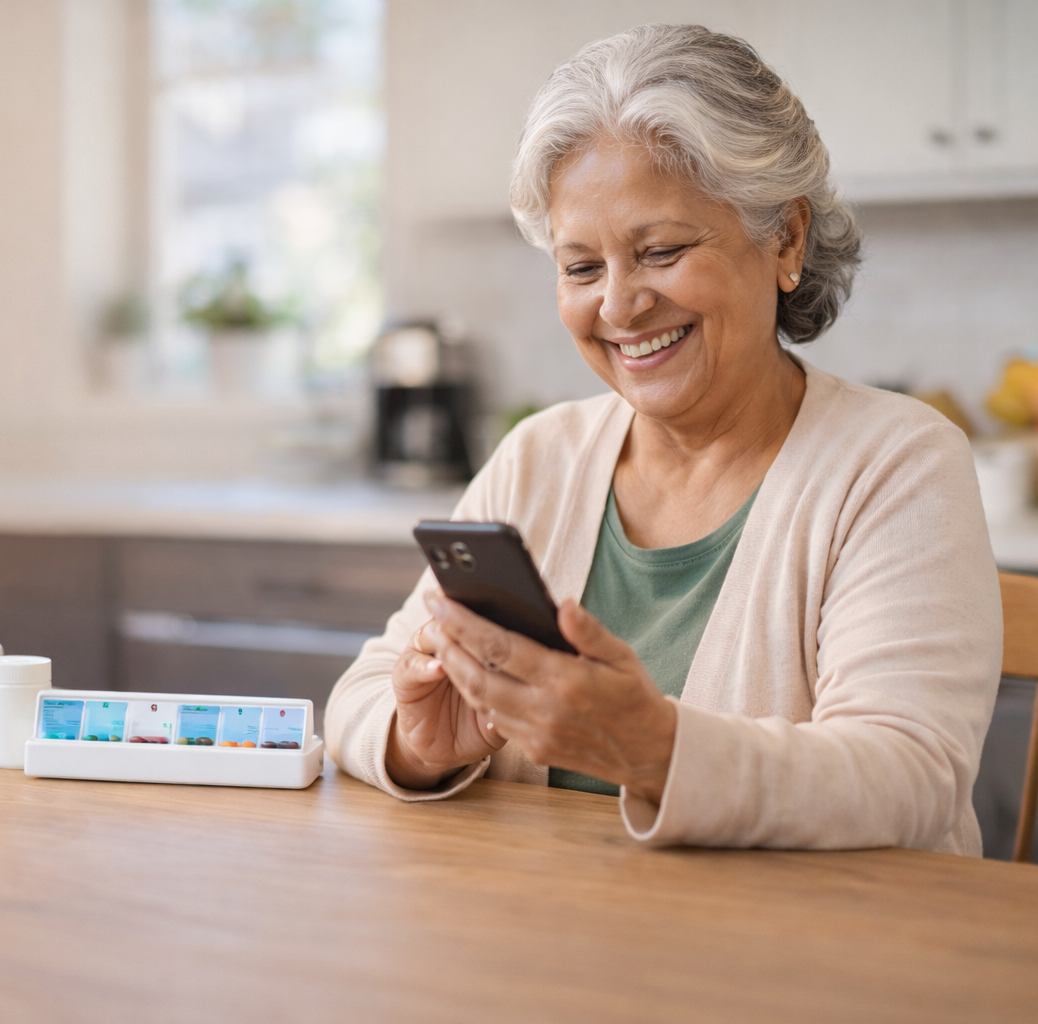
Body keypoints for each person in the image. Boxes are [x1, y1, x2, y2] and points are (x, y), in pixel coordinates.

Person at [325, 24, 1001, 854]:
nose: (618, 305)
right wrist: (417, 744)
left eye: (662, 251)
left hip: (810, 963)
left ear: (785, 238)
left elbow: (910, 776)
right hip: (562, 951)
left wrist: (656, 749)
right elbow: (361, 692)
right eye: (581, 268)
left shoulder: (898, 463)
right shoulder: (539, 458)